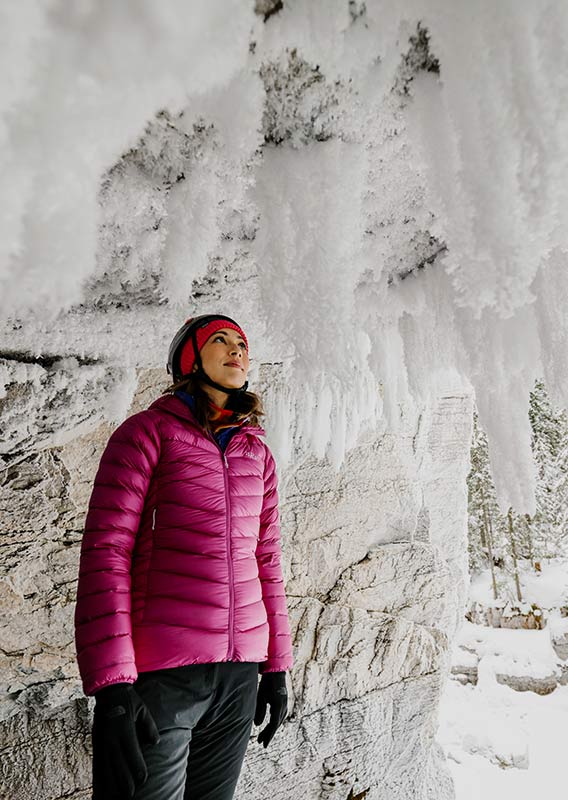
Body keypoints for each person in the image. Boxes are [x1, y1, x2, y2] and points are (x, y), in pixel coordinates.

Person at [74, 313, 294, 800]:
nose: (237, 349)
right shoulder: (145, 434)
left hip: (239, 677)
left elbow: (268, 561)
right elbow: (105, 552)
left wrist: (276, 668)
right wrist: (112, 687)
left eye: (242, 342)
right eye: (220, 340)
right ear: (189, 358)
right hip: (163, 677)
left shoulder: (257, 454)